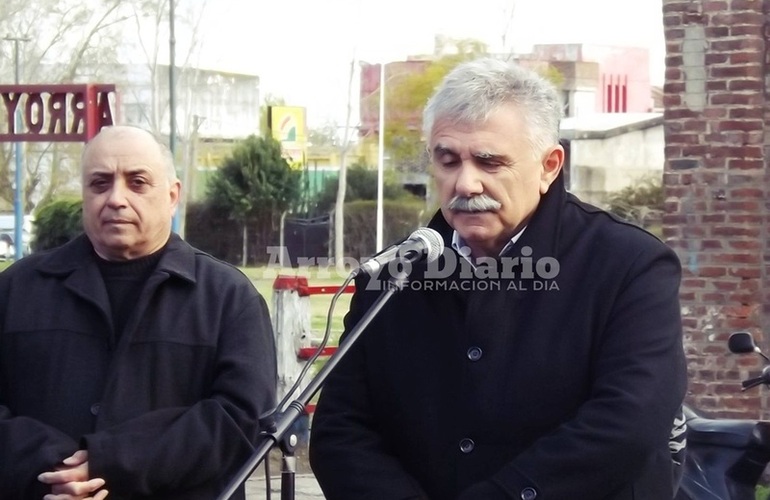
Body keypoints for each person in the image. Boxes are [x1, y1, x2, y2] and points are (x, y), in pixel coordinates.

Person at [309, 58, 687, 499]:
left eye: (489, 162)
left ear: (549, 166)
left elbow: (628, 425)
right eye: (448, 160)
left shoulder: (630, 266)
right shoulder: (392, 276)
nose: (465, 183)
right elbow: (341, 431)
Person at [0, 125, 277, 499]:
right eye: (100, 183)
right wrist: (52, 468)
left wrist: (110, 461)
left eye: (137, 182)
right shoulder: (17, 290)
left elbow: (240, 421)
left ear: (172, 195)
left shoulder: (228, 298)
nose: (116, 198)